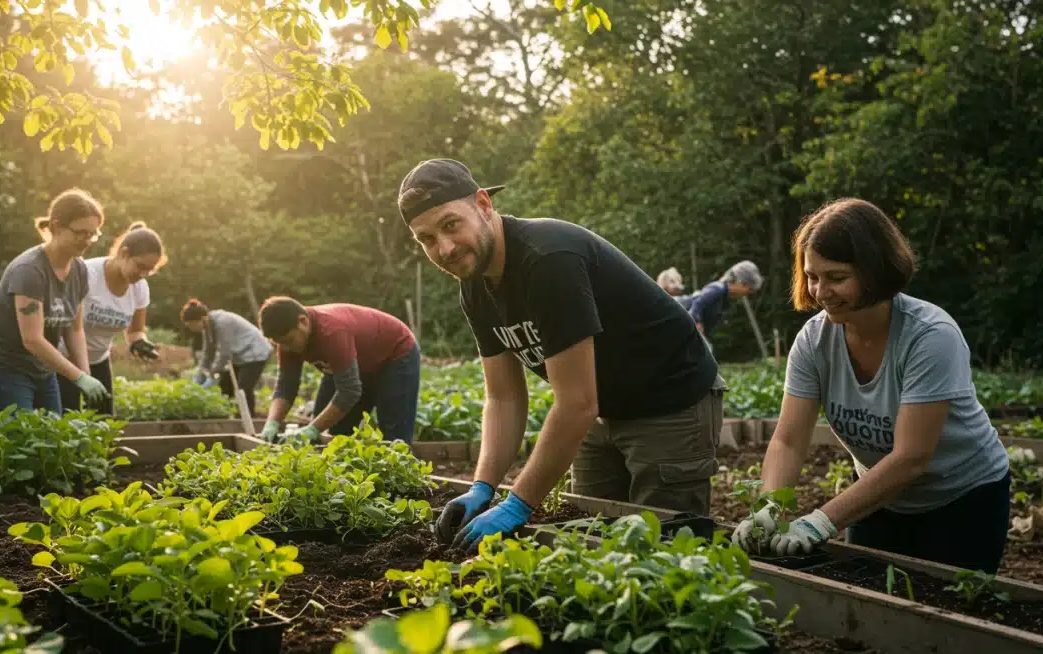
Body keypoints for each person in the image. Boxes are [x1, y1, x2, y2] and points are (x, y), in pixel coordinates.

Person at [398, 158, 725, 551]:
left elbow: (576, 404)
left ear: (483, 205)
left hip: (671, 401)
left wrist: (518, 504)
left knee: (665, 550)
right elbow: (503, 397)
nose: (445, 248)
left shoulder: (548, 260)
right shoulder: (474, 288)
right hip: (601, 406)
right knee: (585, 538)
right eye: (427, 239)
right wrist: (483, 486)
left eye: (451, 225)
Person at [731, 198, 1010, 574]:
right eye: (812, 276)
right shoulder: (814, 342)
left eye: (836, 277)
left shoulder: (929, 337)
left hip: (962, 500)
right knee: (863, 608)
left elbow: (911, 457)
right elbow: (788, 440)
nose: (820, 290)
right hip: (880, 499)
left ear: (874, 271)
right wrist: (768, 508)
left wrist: (820, 521)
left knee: (946, 615)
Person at [0, 189, 110, 414]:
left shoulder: (80, 270)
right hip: (0, 366)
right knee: (19, 441)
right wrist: (79, 377)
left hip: (41, 368)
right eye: (80, 233)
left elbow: (73, 329)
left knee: (53, 439)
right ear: (56, 227)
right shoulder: (30, 270)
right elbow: (32, 339)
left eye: (92, 234)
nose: (87, 241)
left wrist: (85, 376)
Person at [257, 297, 420, 444]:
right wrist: (271, 423)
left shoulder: (331, 331)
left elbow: (349, 391)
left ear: (303, 321)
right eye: (280, 343)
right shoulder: (287, 341)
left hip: (395, 355)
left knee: (394, 438)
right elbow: (286, 386)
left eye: (289, 341)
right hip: (355, 362)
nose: (286, 348)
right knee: (333, 433)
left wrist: (311, 430)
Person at [58, 222, 166, 415]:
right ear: (124, 253)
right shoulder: (86, 274)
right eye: (140, 266)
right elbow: (68, 328)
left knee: (104, 425)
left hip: (99, 361)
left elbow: (134, 332)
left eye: (149, 270)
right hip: (65, 360)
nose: (143, 275)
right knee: (65, 422)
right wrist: (82, 375)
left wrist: (140, 344)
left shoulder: (140, 288)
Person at [180, 299, 271, 417]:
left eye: (192, 325)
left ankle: (249, 418)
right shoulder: (207, 327)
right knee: (225, 385)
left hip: (255, 352)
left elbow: (225, 353)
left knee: (243, 387)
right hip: (240, 355)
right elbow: (208, 352)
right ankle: (231, 415)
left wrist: (212, 374)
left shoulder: (223, 322)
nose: (192, 328)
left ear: (202, 318)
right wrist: (200, 373)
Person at [687, 260, 764, 342]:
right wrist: (697, 327)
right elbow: (696, 306)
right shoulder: (718, 288)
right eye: (749, 289)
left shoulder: (723, 297)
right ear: (740, 282)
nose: (747, 293)